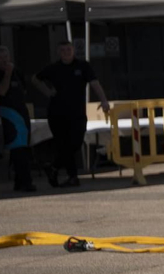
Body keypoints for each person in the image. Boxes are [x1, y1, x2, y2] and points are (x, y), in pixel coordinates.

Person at [32, 40, 109, 188]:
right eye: (63, 50)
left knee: (76, 142)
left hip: (77, 112)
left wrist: (104, 100)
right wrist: (47, 92)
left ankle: (53, 167)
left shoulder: (82, 66)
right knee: (64, 145)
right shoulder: (54, 68)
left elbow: (95, 83)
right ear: (58, 52)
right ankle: (73, 177)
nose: (66, 53)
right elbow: (35, 79)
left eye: (68, 50)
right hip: (57, 113)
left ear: (73, 50)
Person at [0, 45, 35, 192]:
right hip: (7, 113)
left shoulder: (17, 72)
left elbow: (23, 90)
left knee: (24, 147)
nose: (3, 61)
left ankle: (19, 181)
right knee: (18, 149)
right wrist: (7, 74)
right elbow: (1, 92)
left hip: (21, 111)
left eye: (6, 57)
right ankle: (26, 181)